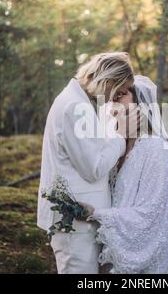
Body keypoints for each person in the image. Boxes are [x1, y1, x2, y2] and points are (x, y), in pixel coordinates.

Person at [37, 52, 135, 274]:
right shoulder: (74, 107)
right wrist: (121, 136)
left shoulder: (82, 102)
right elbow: (94, 168)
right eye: (118, 91)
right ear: (108, 80)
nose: (114, 98)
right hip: (74, 223)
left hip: (83, 221)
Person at [80, 75, 168, 274]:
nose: (113, 99)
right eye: (112, 95)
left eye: (121, 94)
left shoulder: (156, 147)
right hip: (111, 251)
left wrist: (97, 215)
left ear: (140, 104)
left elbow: (154, 213)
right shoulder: (114, 146)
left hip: (145, 260)